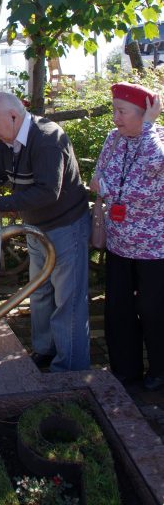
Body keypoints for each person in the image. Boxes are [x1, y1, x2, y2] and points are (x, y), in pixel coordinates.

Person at [0, 91, 90, 372]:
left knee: (68, 300)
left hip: (65, 226)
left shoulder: (48, 139)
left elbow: (47, 192)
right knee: (39, 291)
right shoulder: (10, 139)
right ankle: (44, 352)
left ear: (13, 116)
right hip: (36, 226)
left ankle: (71, 369)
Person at [90, 82, 164, 391]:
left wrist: (149, 127)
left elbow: (155, 177)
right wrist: (106, 204)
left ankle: (159, 370)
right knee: (118, 308)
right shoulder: (113, 140)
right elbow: (96, 181)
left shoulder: (157, 141)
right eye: (114, 111)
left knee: (153, 309)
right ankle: (125, 370)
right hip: (120, 242)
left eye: (122, 112)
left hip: (154, 248)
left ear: (144, 114)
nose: (115, 119)